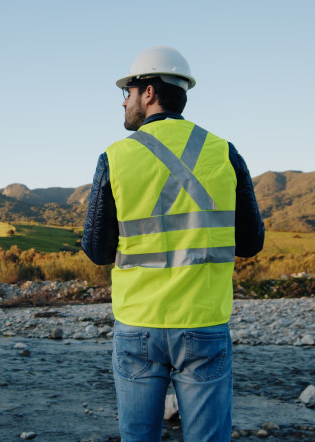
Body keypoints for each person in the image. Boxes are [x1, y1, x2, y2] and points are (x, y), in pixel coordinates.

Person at [82, 46, 265, 441]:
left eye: (127, 92)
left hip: (138, 325)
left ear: (149, 92)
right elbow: (251, 243)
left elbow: (96, 250)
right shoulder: (224, 152)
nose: (124, 101)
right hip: (203, 323)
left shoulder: (115, 157)